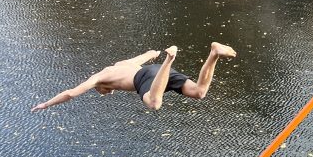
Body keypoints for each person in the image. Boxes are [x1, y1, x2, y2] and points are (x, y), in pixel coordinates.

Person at [31, 44, 236, 112]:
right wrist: (153, 53)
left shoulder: (98, 78)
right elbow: (145, 55)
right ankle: (214, 53)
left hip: (148, 76)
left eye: (103, 92)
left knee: (154, 103)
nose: (106, 93)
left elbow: (70, 93)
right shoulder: (122, 64)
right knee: (199, 92)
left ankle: (170, 59)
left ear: (100, 86)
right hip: (154, 72)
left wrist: (46, 104)